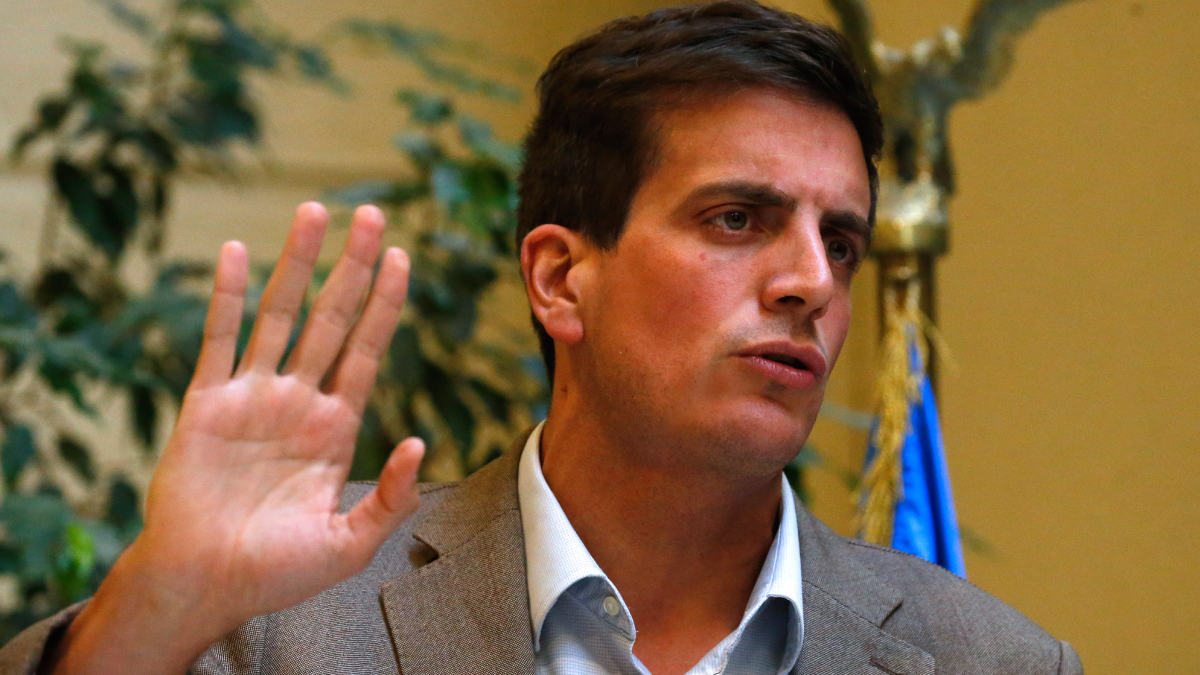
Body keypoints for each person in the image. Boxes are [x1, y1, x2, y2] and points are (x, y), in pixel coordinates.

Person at [1, 2, 1083, 674]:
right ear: (562, 278)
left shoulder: (995, 663)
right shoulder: (278, 627)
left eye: (840, 242)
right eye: (736, 219)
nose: (811, 281)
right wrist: (157, 609)